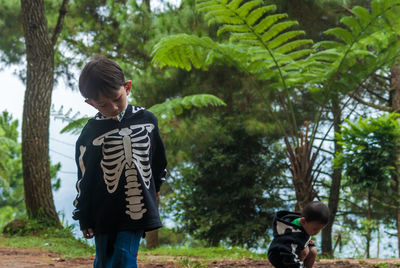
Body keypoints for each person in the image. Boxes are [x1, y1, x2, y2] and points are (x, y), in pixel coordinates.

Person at [72, 56, 167, 268]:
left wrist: (156, 188)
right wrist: (84, 215)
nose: (114, 107)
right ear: (90, 103)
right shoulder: (90, 133)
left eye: (117, 98)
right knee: (105, 260)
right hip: (102, 212)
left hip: (137, 209)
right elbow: (84, 178)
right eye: (104, 105)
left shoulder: (148, 120)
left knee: (123, 257)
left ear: (127, 88)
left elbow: (158, 160)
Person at [268, 201, 329, 268]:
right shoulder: (292, 236)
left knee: (313, 250)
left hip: (292, 251)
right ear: (303, 221)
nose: (317, 232)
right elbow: (289, 255)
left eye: (321, 229)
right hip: (280, 256)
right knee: (305, 251)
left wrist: (308, 242)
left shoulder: (305, 223)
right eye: (315, 229)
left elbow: (303, 237)